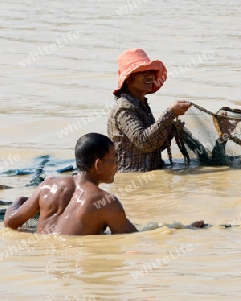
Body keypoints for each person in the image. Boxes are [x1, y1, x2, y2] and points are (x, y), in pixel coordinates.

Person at [4, 133, 204, 235]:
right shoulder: (106, 202)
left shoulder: (47, 185)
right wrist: (184, 229)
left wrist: (18, 201)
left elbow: (10, 222)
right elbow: (135, 239)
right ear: (98, 164)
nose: (118, 165)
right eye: (114, 159)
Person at [107, 48, 191, 172]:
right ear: (128, 78)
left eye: (151, 71)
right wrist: (170, 113)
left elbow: (153, 147)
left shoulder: (141, 105)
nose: (150, 75)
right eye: (142, 71)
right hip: (131, 177)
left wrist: (171, 129)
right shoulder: (124, 108)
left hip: (147, 174)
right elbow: (144, 142)